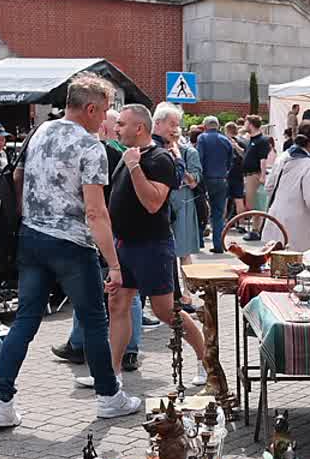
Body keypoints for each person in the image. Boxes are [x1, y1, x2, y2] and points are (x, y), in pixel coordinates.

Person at [0, 73, 143, 429]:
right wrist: (114, 264)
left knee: (25, 321)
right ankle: (109, 396)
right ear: (90, 109)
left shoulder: (40, 131)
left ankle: (0, 399)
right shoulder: (90, 147)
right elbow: (96, 211)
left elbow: (18, 179)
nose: (105, 120)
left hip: (31, 237)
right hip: (72, 244)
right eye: (104, 110)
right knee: (94, 321)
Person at [100, 102, 208, 390]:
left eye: (121, 124)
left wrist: (135, 167)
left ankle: (205, 359)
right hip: (125, 245)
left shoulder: (160, 159)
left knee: (166, 311)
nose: (116, 129)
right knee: (117, 304)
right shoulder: (128, 155)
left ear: (139, 128)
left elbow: (153, 203)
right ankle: (113, 375)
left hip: (152, 246)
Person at [263, 121, 310, 251]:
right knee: (295, 260)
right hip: (298, 224)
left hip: (275, 218)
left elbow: (269, 187)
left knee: (274, 258)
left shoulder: (282, 158)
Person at [196, 115, 234, 251]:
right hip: (221, 179)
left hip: (206, 178)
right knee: (218, 213)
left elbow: (199, 158)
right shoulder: (226, 140)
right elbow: (230, 161)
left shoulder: (202, 138)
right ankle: (218, 244)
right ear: (218, 126)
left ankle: (199, 241)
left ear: (205, 126)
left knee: (201, 210)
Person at [171, 126, 203, 265]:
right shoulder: (157, 151)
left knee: (183, 251)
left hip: (183, 202)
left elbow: (193, 183)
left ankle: (187, 279)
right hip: (162, 202)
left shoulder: (189, 152)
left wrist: (178, 162)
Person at [241, 114, 272, 213]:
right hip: (248, 174)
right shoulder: (251, 139)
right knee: (250, 202)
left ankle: (257, 222)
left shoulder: (262, 140)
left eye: (246, 123)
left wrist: (262, 176)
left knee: (253, 204)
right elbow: (247, 154)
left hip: (254, 174)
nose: (244, 126)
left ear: (251, 125)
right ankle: (255, 222)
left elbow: (263, 159)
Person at [225, 120, 248, 220]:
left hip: (227, 173)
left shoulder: (225, 141)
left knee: (224, 200)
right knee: (239, 199)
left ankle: (222, 223)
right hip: (239, 173)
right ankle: (241, 222)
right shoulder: (243, 141)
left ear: (227, 130)